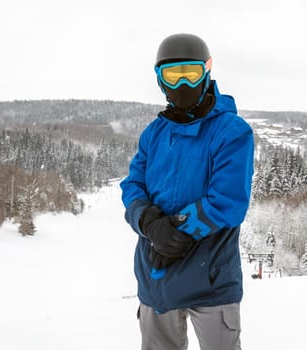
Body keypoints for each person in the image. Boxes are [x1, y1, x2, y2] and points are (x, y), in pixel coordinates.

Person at [121, 33, 254, 350]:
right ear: (159, 79)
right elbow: (132, 185)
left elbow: (228, 202)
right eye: (172, 75)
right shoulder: (154, 134)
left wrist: (175, 233)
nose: (182, 84)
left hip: (210, 278)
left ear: (207, 70)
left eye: (190, 73)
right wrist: (149, 223)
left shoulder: (231, 132)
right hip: (157, 278)